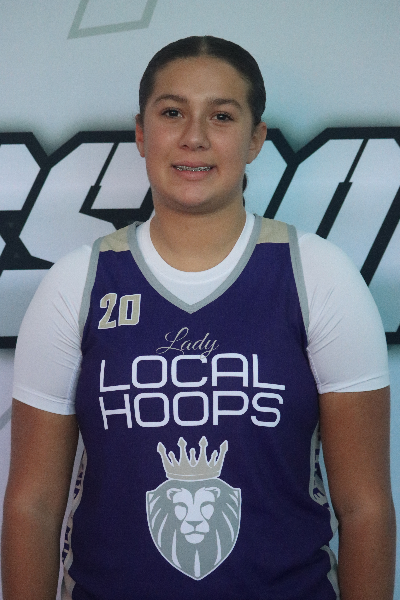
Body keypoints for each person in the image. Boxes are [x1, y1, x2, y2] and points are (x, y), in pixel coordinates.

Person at [1, 36, 395, 600]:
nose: (194, 136)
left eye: (222, 116)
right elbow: (33, 504)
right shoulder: (78, 283)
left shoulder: (318, 277)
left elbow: (365, 507)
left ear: (255, 139)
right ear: (141, 133)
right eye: (172, 112)